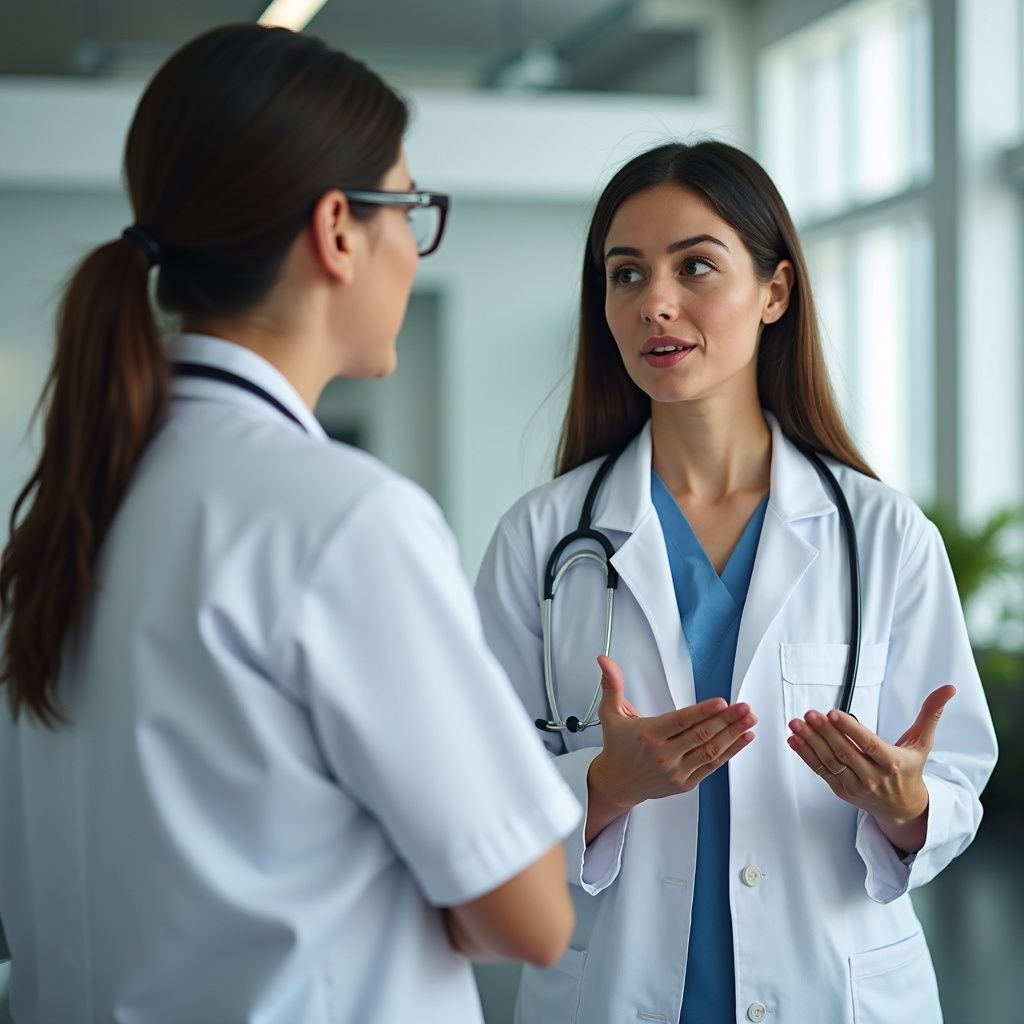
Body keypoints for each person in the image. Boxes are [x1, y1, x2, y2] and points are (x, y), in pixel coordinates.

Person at [0, 24, 580, 1024]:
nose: (409, 243)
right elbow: (529, 917)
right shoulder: (345, 520)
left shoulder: (66, 517)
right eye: (409, 206)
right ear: (338, 231)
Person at [474, 140, 998, 1024]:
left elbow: (952, 780)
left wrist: (904, 802)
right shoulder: (543, 538)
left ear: (775, 293)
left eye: (697, 266)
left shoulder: (882, 534)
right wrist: (605, 788)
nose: (656, 304)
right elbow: (477, 789)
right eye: (626, 274)